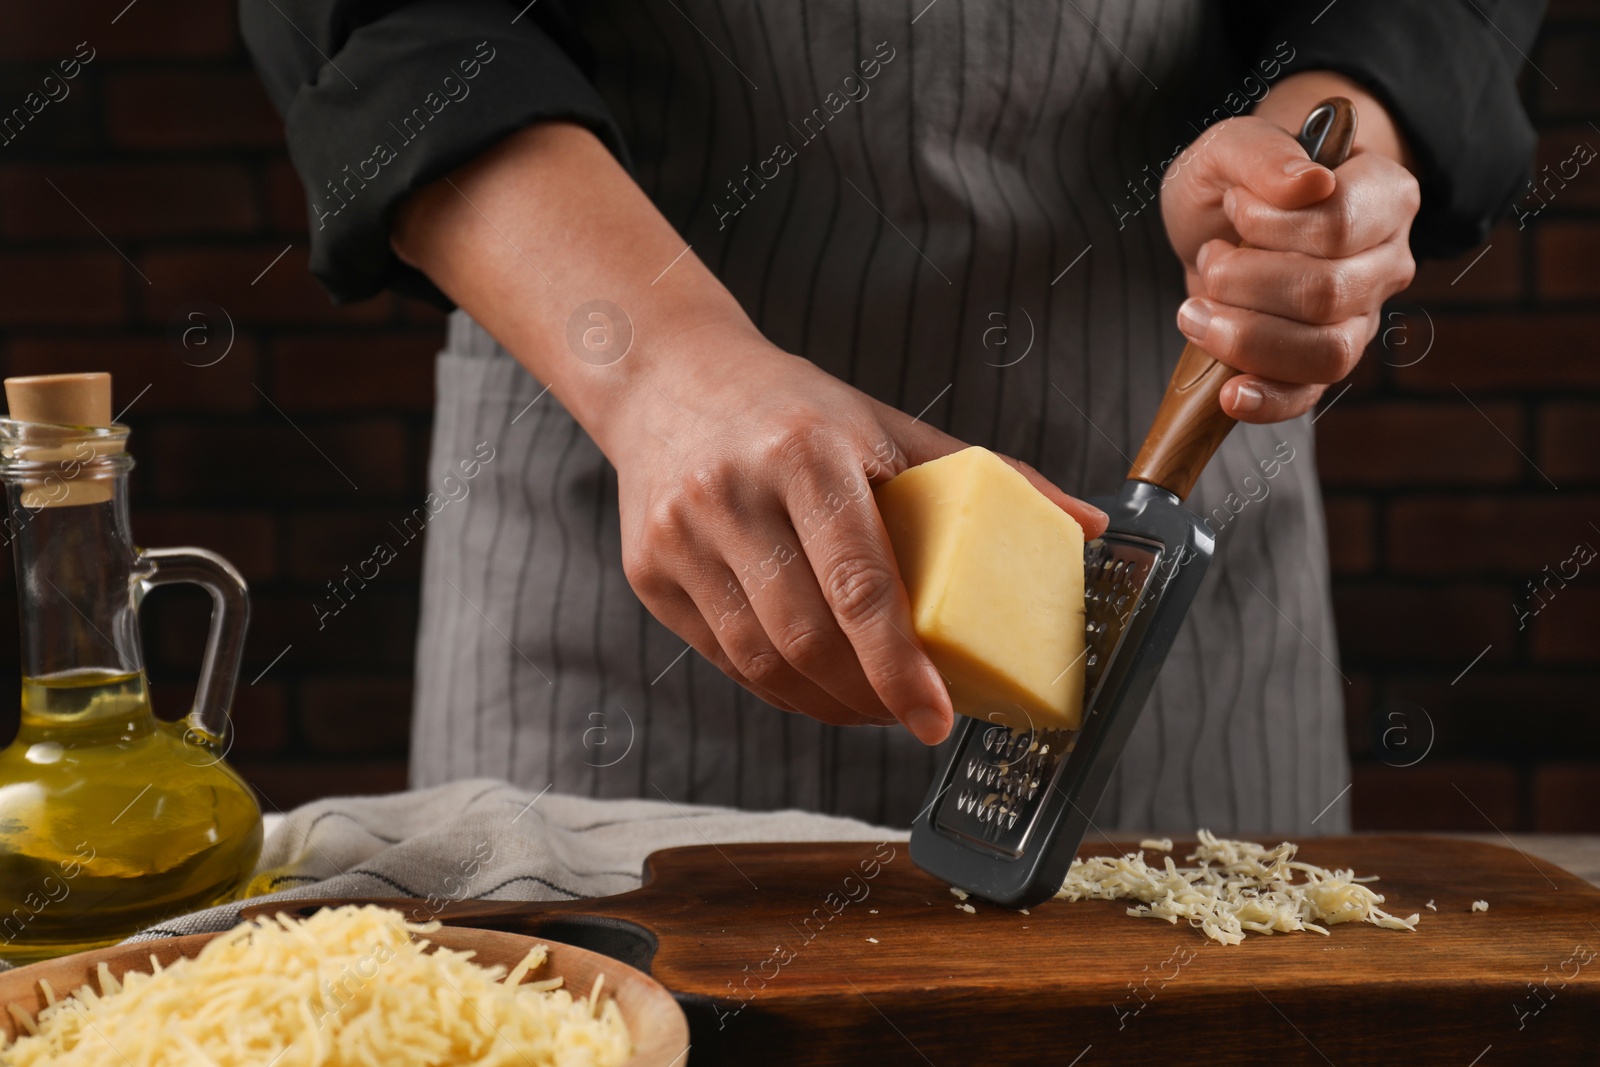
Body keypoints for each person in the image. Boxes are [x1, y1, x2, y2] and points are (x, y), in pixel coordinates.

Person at [242, 0, 1543, 832]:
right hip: (608, 576)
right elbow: (383, 28)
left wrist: (1320, 148)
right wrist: (660, 368)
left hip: (1169, 638)